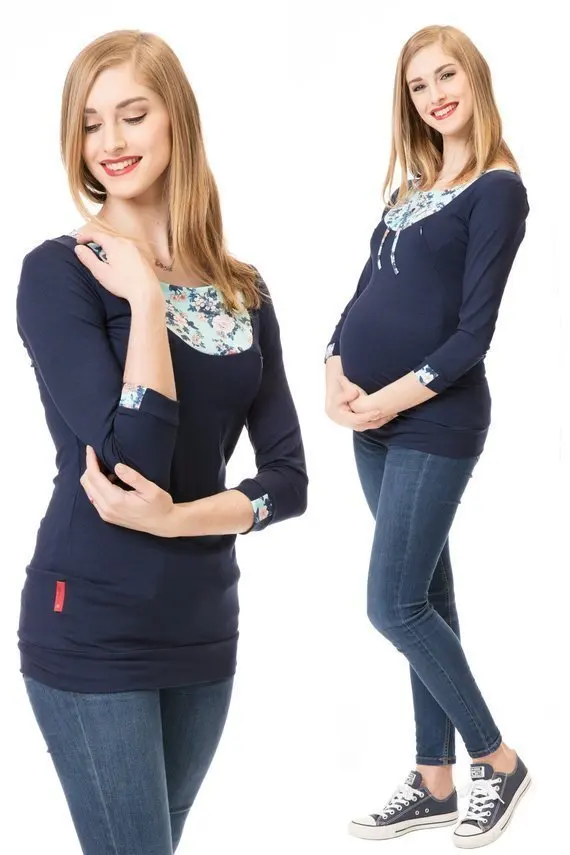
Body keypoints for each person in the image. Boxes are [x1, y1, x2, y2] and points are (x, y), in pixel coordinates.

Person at [16, 29, 307, 855]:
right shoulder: (59, 274)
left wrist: (180, 519)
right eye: (90, 123)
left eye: (132, 115)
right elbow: (132, 460)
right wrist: (145, 299)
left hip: (204, 626)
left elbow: (288, 479)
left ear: (176, 118)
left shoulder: (242, 289)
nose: (109, 140)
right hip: (92, 623)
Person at [325, 24, 530, 849]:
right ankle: (434, 780)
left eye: (447, 76)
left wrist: (386, 401)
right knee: (426, 600)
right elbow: (361, 294)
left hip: (435, 421)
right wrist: (334, 368)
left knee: (393, 604)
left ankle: (497, 760)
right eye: (418, 85)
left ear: (474, 78)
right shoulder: (411, 187)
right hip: (373, 424)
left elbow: (473, 335)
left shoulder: (497, 190)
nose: (435, 95)